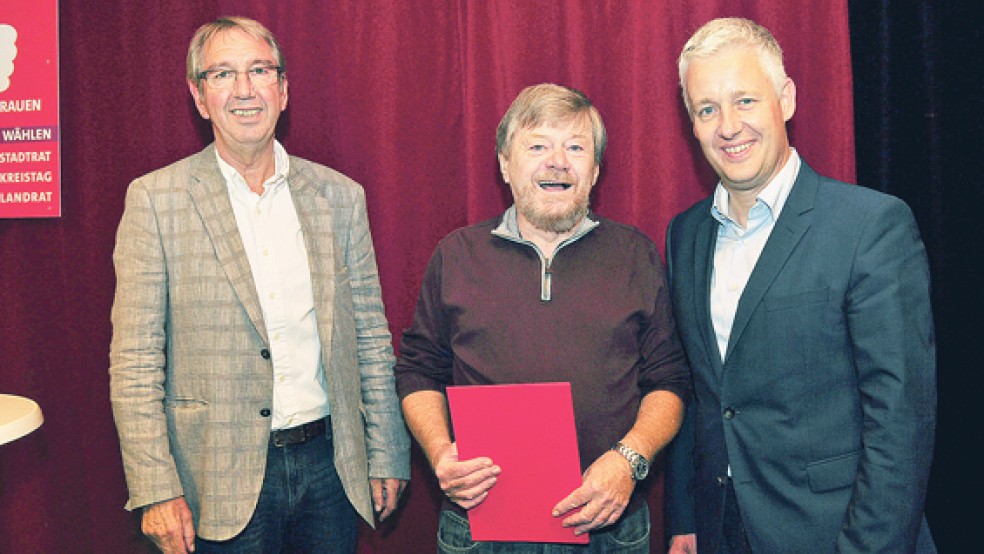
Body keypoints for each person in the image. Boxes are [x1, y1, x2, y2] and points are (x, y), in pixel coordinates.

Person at [109, 16, 409, 554]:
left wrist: (385, 451)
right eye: (222, 74)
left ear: (284, 89)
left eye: (259, 70)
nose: (244, 89)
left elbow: (370, 336)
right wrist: (155, 488)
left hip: (329, 471)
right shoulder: (155, 200)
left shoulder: (340, 197)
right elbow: (135, 362)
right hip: (215, 481)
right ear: (200, 97)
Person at [664, 17, 937, 554]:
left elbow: (901, 422)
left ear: (785, 99)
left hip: (837, 536)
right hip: (722, 534)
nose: (728, 127)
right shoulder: (684, 235)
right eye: (707, 109)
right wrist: (685, 519)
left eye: (745, 100)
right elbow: (699, 392)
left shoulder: (870, 226)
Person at [394, 83, 691, 553]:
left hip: (609, 529)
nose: (557, 161)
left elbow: (670, 381)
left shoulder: (636, 255)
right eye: (537, 146)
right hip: (481, 528)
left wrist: (628, 460)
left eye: (575, 147)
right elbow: (417, 370)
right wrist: (439, 453)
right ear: (504, 164)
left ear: (595, 170)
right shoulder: (456, 255)